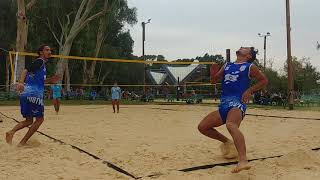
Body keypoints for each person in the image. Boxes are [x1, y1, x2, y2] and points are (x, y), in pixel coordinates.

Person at [198, 47, 268, 173]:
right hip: (224, 104)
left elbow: (264, 80)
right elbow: (214, 81)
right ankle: (227, 142)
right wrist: (212, 73)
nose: (241, 47)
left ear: (248, 55)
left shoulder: (250, 66)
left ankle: (243, 160)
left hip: (237, 102)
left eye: (245, 48)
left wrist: (250, 90)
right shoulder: (227, 65)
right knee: (202, 127)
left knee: (231, 125)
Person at [6, 45, 59, 146]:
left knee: (29, 120)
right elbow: (25, 70)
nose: (49, 52)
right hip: (33, 93)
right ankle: (22, 143)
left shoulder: (41, 65)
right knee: (40, 119)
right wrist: (21, 82)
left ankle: (11, 132)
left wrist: (50, 80)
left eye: (50, 50)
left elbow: (40, 80)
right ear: (40, 52)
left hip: (28, 93)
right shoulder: (40, 61)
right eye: (47, 50)